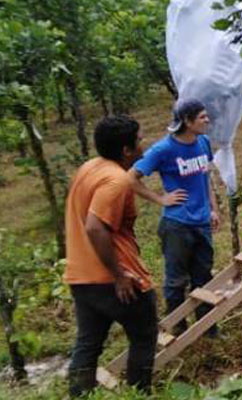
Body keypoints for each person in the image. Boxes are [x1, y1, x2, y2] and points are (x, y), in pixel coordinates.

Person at [64, 115, 180, 396]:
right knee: (144, 336)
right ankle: (139, 393)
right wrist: (118, 275)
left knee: (88, 344)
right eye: (139, 140)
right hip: (116, 277)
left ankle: (79, 395)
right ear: (126, 151)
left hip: (81, 276)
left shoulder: (89, 168)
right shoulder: (117, 181)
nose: (143, 143)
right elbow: (94, 226)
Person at [128, 98, 220, 334]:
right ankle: (178, 329)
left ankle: (207, 328)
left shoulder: (204, 142)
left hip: (202, 221)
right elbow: (131, 178)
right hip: (177, 224)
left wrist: (213, 208)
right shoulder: (163, 149)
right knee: (176, 280)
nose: (207, 120)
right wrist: (161, 199)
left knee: (204, 276)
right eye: (202, 117)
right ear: (187, 121)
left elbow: (205, 177)